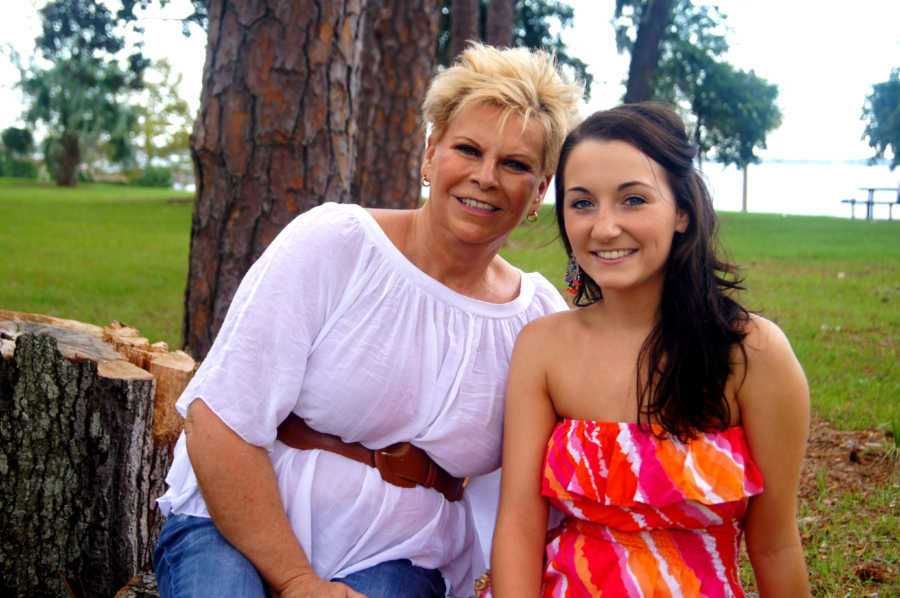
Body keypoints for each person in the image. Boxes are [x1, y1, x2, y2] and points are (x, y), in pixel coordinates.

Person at [151, 43, 583, 598]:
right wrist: (298, 581)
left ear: (540, 191)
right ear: (431, 156)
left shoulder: (538, 319)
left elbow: (562, 474)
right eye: (468, 150)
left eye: (516, 164)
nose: (486, 177)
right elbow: (220, 421)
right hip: (231, 528)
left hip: (402, 557)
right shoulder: (337, 243)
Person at [488, 104, 811, 597]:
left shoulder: (752, 354)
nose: (604, 227)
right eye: (582, 203)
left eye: (633, 200)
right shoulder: (543, 347)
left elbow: (775, 546)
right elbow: (518, 527)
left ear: (682, 210)